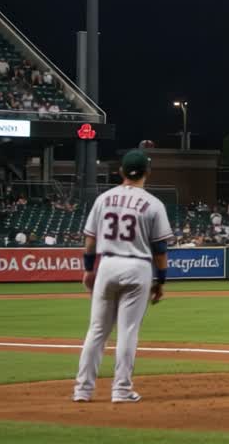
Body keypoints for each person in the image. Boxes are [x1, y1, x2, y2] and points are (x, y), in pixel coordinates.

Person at [72, 149, 173, 403]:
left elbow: (90, 240)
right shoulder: (154, 204)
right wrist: (161, 281)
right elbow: (160, 250)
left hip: (107, 264)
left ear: (120, 172)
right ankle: (121, 390)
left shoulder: (103, 199)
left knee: (97, 330)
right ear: (148, 172)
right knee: (127, 331)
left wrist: (88, 268)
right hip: (137, 266)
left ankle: (82, 390)